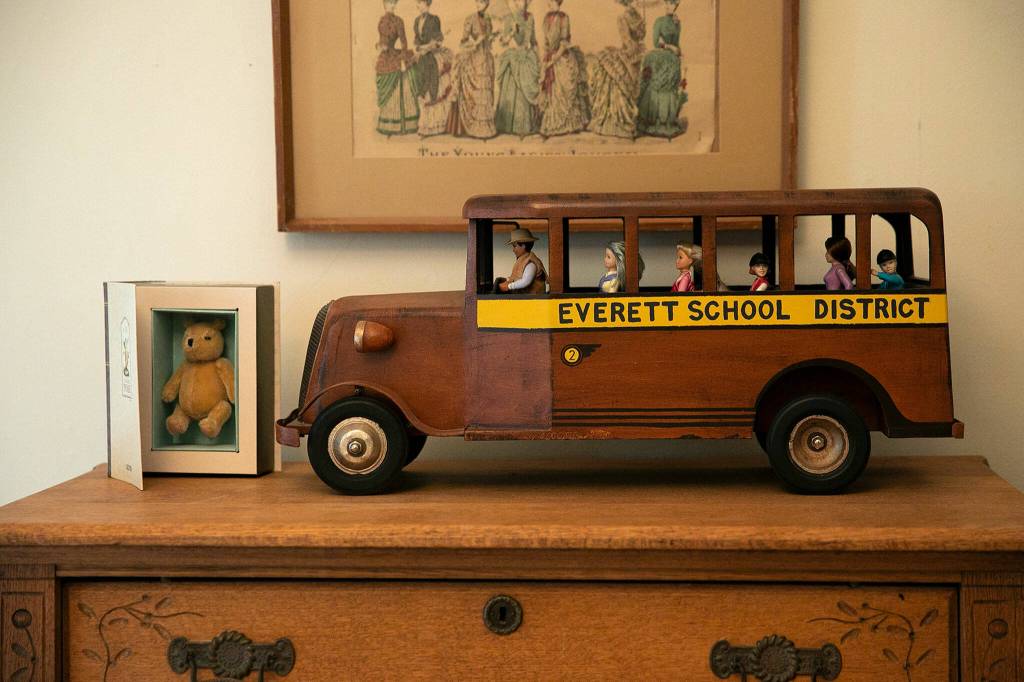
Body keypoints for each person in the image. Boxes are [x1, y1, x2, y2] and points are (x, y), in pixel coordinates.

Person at [586, 0, 646, 139]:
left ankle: (622, 121)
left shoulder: (630, 16)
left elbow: (634, 39)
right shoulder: (630, 16)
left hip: (633, 55)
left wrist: (623, 51)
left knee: (629, 82)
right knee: (613, 69)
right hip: (633, 54)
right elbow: (632, 40)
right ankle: (618, 121)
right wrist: (631, 49)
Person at [538, 0, 590, 138]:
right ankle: (553, 125)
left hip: (562, 57)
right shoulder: (546, 18)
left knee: (565, 90)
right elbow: (546, 41)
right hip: (550, 56)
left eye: (550, 1)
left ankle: (570, 125)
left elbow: (564, 42)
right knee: (552, 94)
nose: (547, 3)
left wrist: (553, 60)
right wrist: (546, 57)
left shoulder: (564, 18)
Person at [637, 0, 687, 139]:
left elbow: (677, 44)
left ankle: (666, 121)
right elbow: (655, 42)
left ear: (676, 6)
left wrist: (676, 49)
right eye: (666, 4)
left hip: (672, 56)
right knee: (653, 65)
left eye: (671, 4)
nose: (668, 7)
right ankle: (652, 119)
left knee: (672, 68)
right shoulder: (659, 21)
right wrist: (669, 47)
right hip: (661, 53)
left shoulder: (677, 23)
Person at [449, 0, 497, 139]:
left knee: (485, 91)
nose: (480, 5)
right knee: (475, 92)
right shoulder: (470, 19)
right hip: (474, 57)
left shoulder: (488, 19)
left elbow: (489, 38)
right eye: (478, 2)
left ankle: (486, 128)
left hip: (486, 57)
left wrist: (489, 38)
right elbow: (463, 40)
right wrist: (475, 41)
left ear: (487, 4)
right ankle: (473, 127)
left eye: (483, 3)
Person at [495, 0, 541, 137]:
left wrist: (538, 56)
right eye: (518, 0)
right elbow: (503, 42)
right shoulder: (509, 18)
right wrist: (512, 32)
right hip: (513, 57)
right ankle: (508, 125)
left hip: (527, 57)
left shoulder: (531, 17)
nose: (521, 3)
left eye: (524, 0)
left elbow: (532, 40)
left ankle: (526, 125)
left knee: (528, 84)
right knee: (512, 87)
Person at [375, 0, 419, 136]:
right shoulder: (381, 21)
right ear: (384, 5)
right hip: (385, 55)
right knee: (382, 69)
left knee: (401, 74)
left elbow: (404, 42)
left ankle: (405, 124)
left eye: (393, 3)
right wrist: (380, 46)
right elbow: (382, 41)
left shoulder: (399, 21)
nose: (392, 6)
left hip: (396, 54)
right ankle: (388, 123)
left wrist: (402, 59)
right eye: (389, 3)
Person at [413, 0, 454, 137]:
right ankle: (424, 124)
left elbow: (438, 41)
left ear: (427, 3)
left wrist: (427, 48)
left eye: (420, 2)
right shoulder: (416, 20)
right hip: (422, 57)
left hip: (432, 57)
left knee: (431, 86)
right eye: (417, 3)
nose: (418, 5)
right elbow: (416, 41)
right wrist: (419, 48)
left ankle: (434, 126)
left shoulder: (434, 19)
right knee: (419, 81)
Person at [496, 226, 548, 293]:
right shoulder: (522, 260)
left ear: (523, 246)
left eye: (515, 246)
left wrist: (509, 286)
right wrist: (507, 280)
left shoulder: (531, 263)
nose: (513, 250)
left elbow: (526, 281)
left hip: (533, 298)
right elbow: (517, 276)